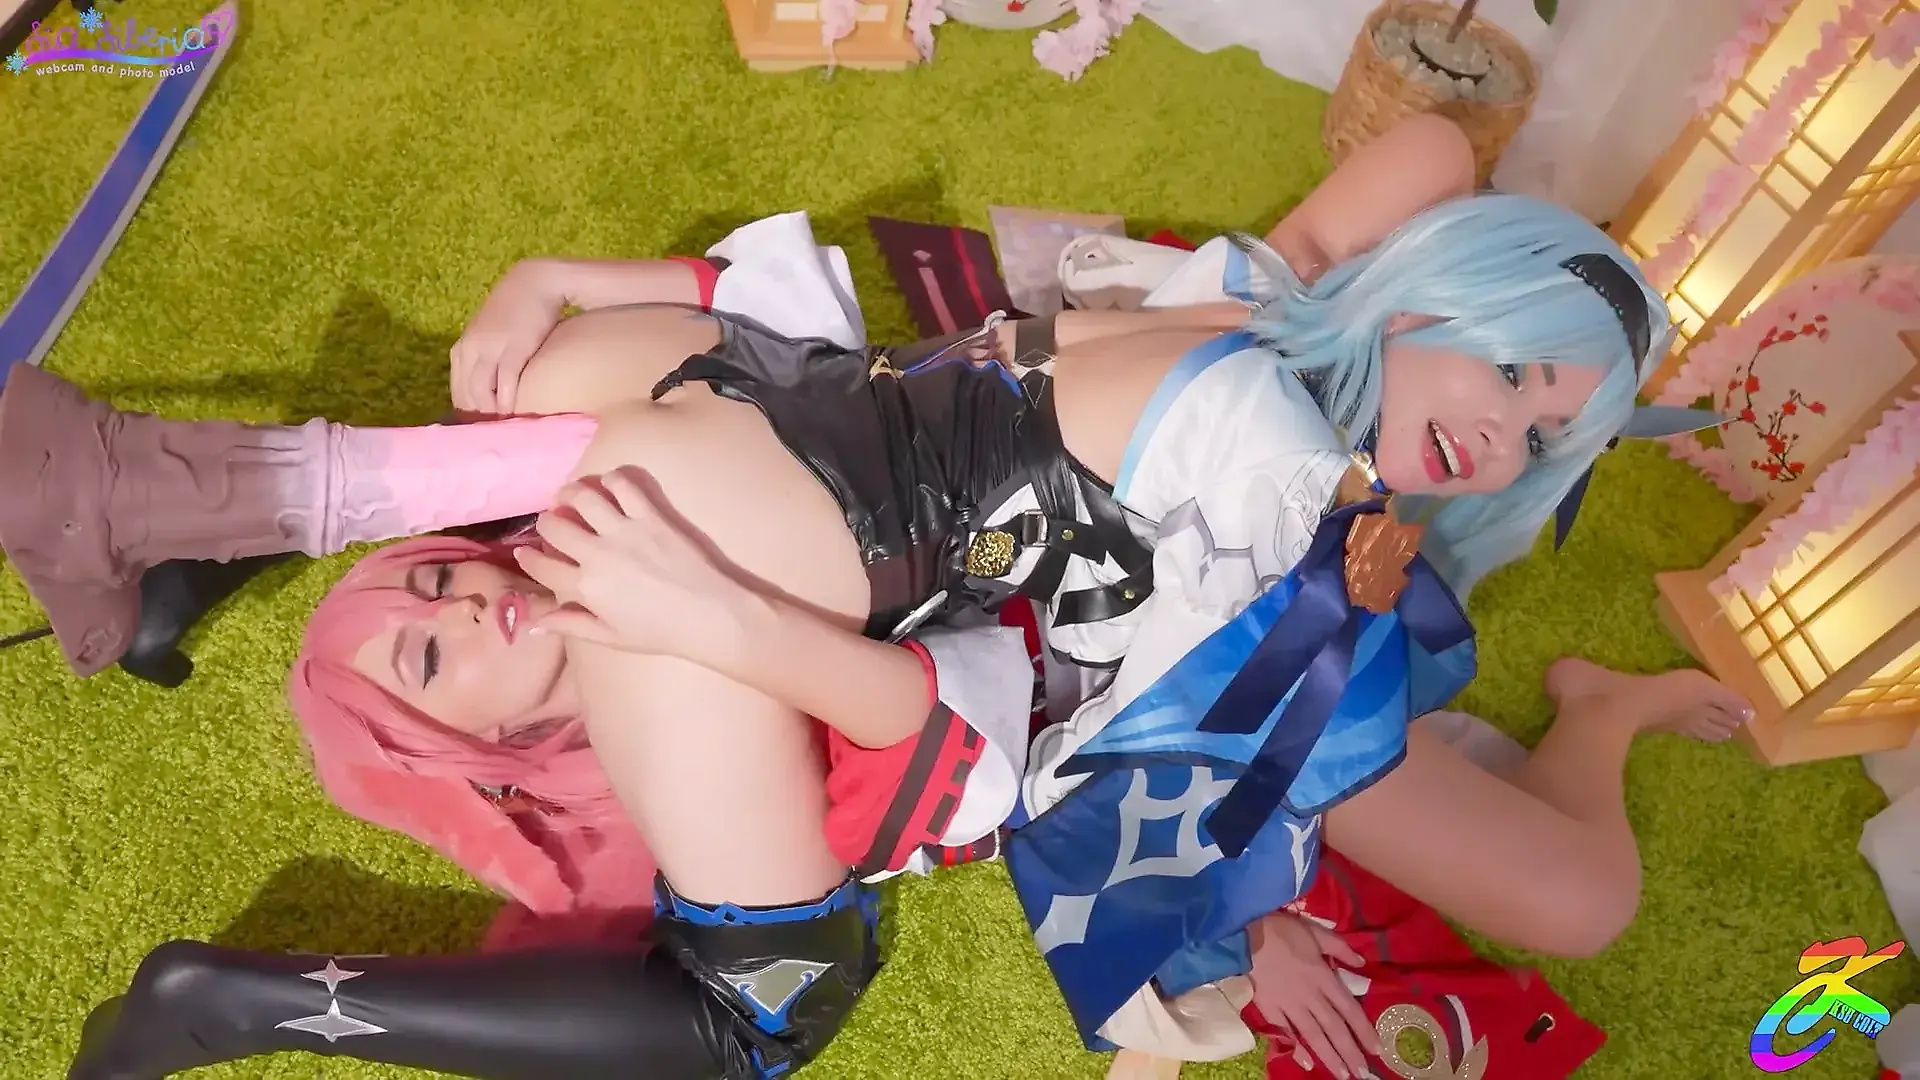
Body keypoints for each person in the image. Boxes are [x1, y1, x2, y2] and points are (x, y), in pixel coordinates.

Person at [7, 116, 1730, 1079]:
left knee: (546, 436)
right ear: (1430, 297)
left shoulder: (1241, 307)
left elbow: (1422, 155)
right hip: (752, 533)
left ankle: (176, 525)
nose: (1501, 437)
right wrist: (728, 632)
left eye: (1546, 436)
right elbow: (1031, 763)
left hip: (747, 391)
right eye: (1513, 369)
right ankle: (235, 1002)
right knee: (759, 1011)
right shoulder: (1287, 498)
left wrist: (550, 276)